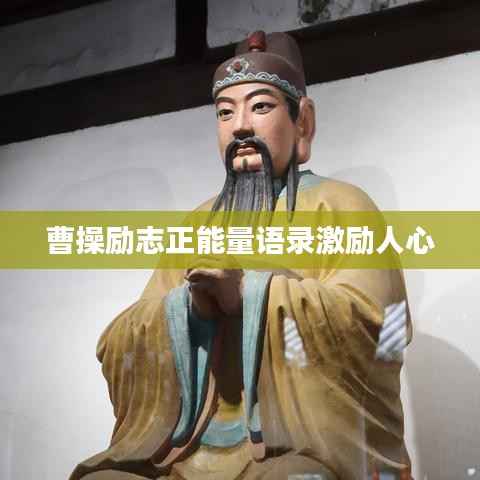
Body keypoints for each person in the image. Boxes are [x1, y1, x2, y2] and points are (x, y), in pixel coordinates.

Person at [71, 31, 412, 480]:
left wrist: (249, 295)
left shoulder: (341, 205)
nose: (241, 127)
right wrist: (187, 311)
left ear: (303, 122)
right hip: (191, 445)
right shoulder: (197, 225)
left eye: (261, 107)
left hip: (292, 442)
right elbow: (121, 341)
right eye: (225, 113)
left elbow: (376, 326)